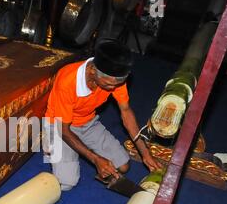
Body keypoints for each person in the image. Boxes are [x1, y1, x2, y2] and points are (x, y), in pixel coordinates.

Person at [43, 39, 161, 191]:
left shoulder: (115, 79)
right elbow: (64, 130)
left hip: (87, 122)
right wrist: (95, 158)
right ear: (92, 70)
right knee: (66, 183)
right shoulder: (67, 81)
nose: (113, 88)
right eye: (108, 84)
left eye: (118, 84)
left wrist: (145, 153)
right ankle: (50, 139)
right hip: (59, 126)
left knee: (123, 166)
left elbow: (126, 112)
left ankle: (73, 150)